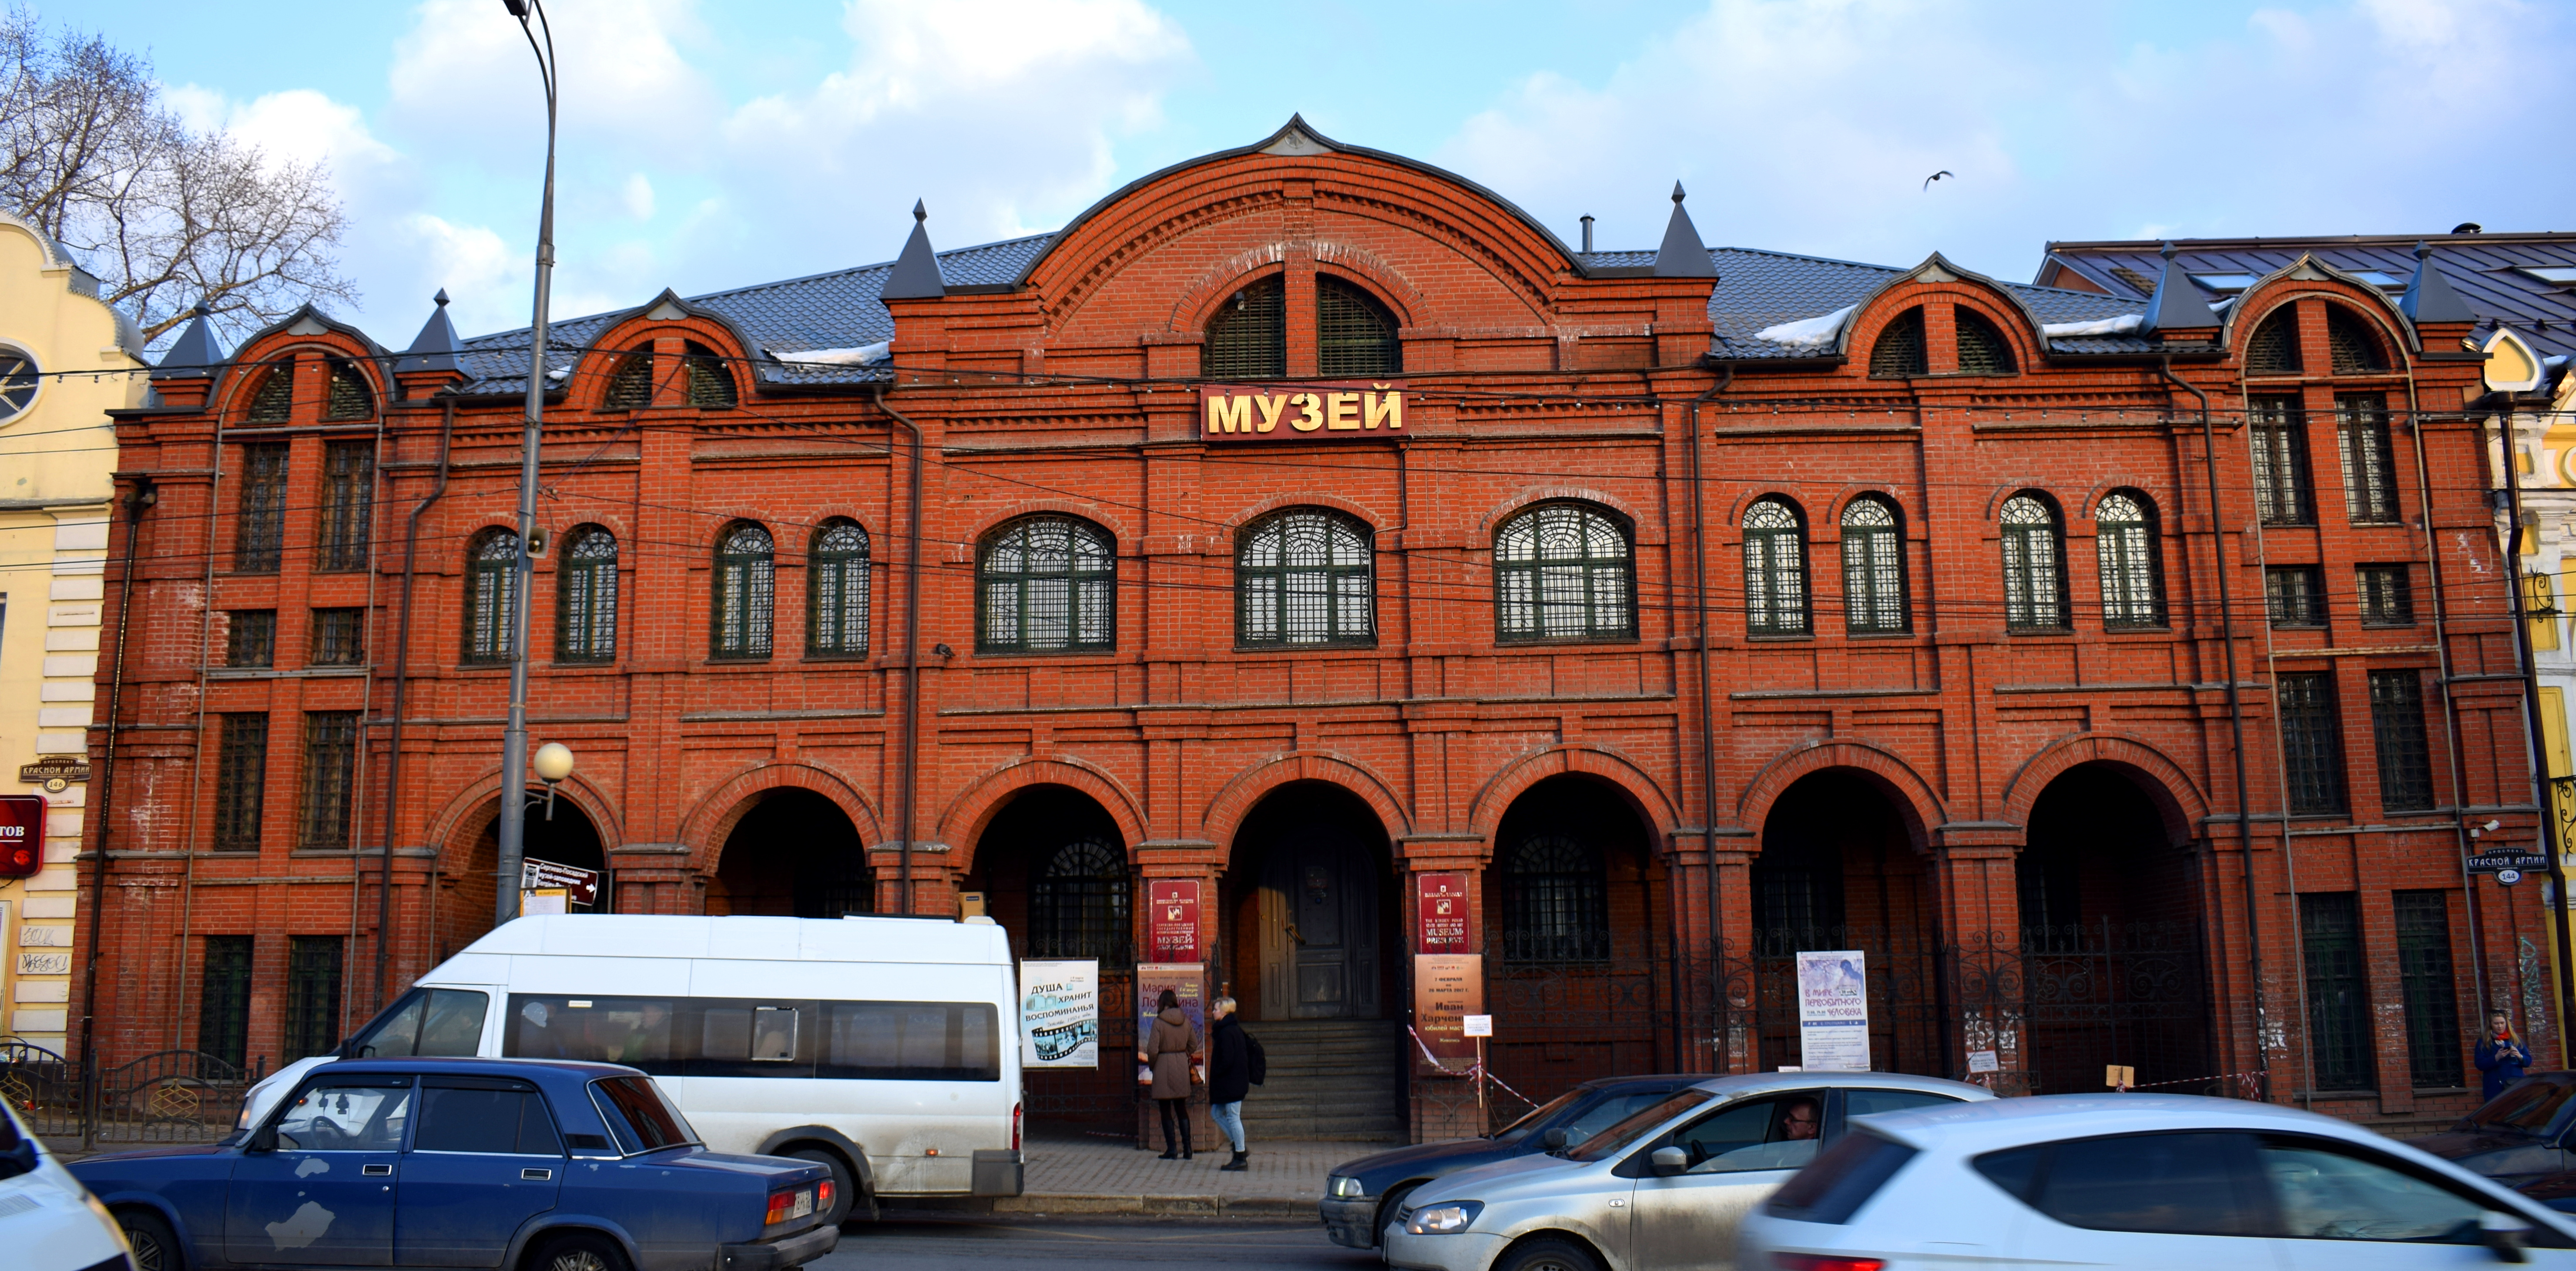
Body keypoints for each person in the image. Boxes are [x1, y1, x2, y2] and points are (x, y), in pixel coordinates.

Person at [1138, 988, 1201, 1160]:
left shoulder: (1159, 1022)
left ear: (1162, 1003)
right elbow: (1194, 1045)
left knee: (1165, 1109)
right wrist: (1182, 1053)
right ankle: (1188, 1149)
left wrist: (1153, 1066)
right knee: (1181, 1108)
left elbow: (1152, 1050)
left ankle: (1172, 1150)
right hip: (1181, 1064)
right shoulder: (1185, 1021)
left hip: (1163, 1066)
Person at [1206, 996, 1263, 1172]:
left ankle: (1240, 1156)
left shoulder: (1227, 1032)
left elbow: (1227, 1060)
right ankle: (1240, 1147)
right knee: (1217, 1113)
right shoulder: (1231, 1029)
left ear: (1224, 1012)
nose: (1213, 1012)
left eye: (1216, 1009)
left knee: (1232, 1116)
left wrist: (1217, 1073)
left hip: (1231, 1083)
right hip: (1232, 1082)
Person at [1700, 1096, 1821, 1172]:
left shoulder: (1810, 1157)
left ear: (1811, 1128)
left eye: (1793, 1119)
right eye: (1788, 1116)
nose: (1786, 1121)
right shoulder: (1794, 1148)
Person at [2477, 1012, 2535, 1101]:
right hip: (2495, 1086)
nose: (2500, 1026)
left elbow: (2528, 1061)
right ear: (2491, 1025)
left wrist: (2520, 1056)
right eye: (2496, 1024)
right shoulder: (2484, 1042)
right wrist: (2496, 1058)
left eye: (2502, 1023)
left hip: (2516, 1083)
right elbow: (2480, 1064)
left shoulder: (2515, 1040)